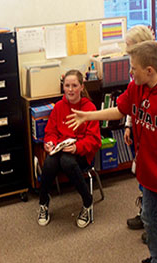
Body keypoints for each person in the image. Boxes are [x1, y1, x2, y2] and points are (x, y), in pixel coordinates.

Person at [67, 41, 157, 263]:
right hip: (149, 172)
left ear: (149, 70)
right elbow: (120, 110)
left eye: (133, 68)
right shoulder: (135, 88)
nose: (130, 72)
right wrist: (87, 116)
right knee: (149, 220)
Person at [37, 69, 101, 229]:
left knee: (67, 162)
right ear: (63, 87)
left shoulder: (89, 107)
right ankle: (43, 202)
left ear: (81, 87)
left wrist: (76, 147)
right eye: (67, 85)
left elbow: (94, 140)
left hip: (81, 152)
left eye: (74, 85)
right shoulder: (59, 107)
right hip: (61, 149)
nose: (70, 89)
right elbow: (50, 131)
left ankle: (87, 202)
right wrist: (50, 143)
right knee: (50, 163)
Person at [124, 25, 157, 234]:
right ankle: (147, 214)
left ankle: (156, 223)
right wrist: (128, 125)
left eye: (130, 47)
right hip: (139, 130)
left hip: (154, 137)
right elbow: (132, 101)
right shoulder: (136, 71)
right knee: (143, 176)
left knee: (154, 182)